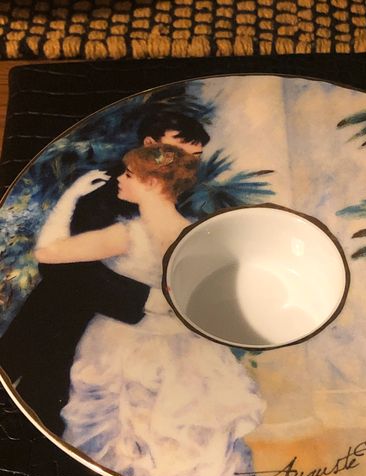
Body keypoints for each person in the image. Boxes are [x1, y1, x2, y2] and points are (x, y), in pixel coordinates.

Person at [35, 144, 265, 476]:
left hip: (122, 350)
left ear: (153, 183)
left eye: (129, 175)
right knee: (186, 442)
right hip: (188, 353)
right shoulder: (195, 234)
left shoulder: (128, 234)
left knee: (124, 442)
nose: (121, 180)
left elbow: (46, 252)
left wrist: (70, 197)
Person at [0, 112, 211, 436]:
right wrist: (147, 299)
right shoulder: (106, 190)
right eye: (177, 152)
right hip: (70, 312)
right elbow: (63, 267)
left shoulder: (176, 200)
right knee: (44, 400)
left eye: (195, 156)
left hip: (133, 331)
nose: (188, 164)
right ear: (149, 144)